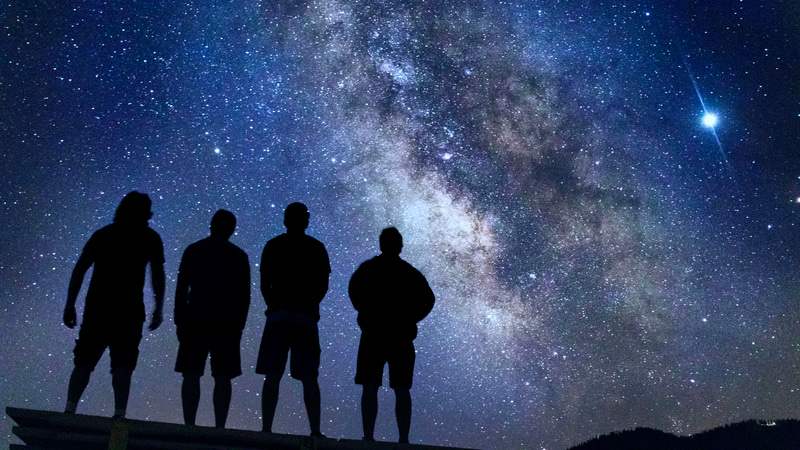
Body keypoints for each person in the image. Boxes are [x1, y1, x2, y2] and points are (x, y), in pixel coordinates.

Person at [62, 191, 165, 419]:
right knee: (123, 364)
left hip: (98, 307)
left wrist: (70, 304)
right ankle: (119, 413)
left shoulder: (103, 235)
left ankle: (70, 409)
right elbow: (157, 273)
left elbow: (80, 269)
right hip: (128, 311)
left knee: (84, 361)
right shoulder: (149, 238)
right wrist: (159, 306)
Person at [348, 227, 435, 443]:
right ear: (400, 246)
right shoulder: (410, 273)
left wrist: (365, 314)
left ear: (381, 244)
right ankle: (403, 439)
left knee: (372, 386)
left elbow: (353, 290)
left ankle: (369, 436)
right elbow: (428, 300)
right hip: (400, 336)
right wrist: (411, 318)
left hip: (374, 334)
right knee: (401, 388)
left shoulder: (368, 269)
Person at [256, 202, 330, 437]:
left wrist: (272, 304)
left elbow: (264, 282)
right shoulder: (316, 247)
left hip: (279, 317)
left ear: (285, 220)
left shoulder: (274, 245)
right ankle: (315, 431)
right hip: (305, 319)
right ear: (306, 220)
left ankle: (267, 428)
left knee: (273, 374)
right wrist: (310, 305)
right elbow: (323, 285)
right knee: (309, 377)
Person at [174, 210, 250, 428]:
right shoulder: (239, 256)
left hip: (195, 319)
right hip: (226, 323)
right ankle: (220, 426)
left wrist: (179, 319)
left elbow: (181, 288)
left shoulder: (194, 250)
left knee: (191, 373)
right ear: (232, 229)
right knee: (223, 376)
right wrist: (240, 326)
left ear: (211, 225)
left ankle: (189, 423)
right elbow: (244, 297)